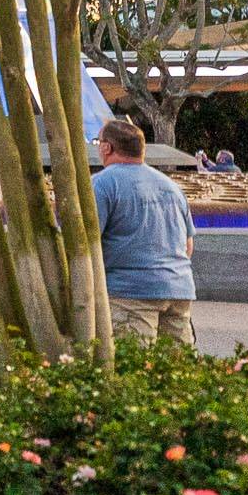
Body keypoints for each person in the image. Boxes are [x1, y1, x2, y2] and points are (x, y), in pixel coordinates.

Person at [95, 117, 196, 345]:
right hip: (179, 289)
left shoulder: (102, 184)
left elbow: (89, 241)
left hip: (130, 293)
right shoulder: (172, 187)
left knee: (134, 368)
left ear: (106, 147)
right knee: (176, 371)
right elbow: (188, 245)